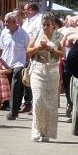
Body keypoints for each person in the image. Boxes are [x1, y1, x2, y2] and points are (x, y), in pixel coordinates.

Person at [26, 14, 62, 142]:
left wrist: (50, 49)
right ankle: (36, 131)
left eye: (48, 24)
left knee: (50, 104)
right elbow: (28, 51)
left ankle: (47, 132)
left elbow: (62, 54)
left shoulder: (59, 36)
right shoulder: (37, 34)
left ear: (53, 25)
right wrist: (38, 48)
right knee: (38, 101)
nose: (45, 27)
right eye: (44, 24)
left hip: (52, 72)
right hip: (37, 71)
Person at [0, 12, 29, 119]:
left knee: (16, 82)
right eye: (5, 21)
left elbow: (28, 50)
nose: (5, 23)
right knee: (12, 88)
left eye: (8, 22)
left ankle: (13, 111)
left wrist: (26, 64)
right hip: (7, 63)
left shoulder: (23, 34)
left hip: (19, 63)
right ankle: (10, 106)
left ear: (15, 22)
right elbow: (2, 48)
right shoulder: (4, 33)